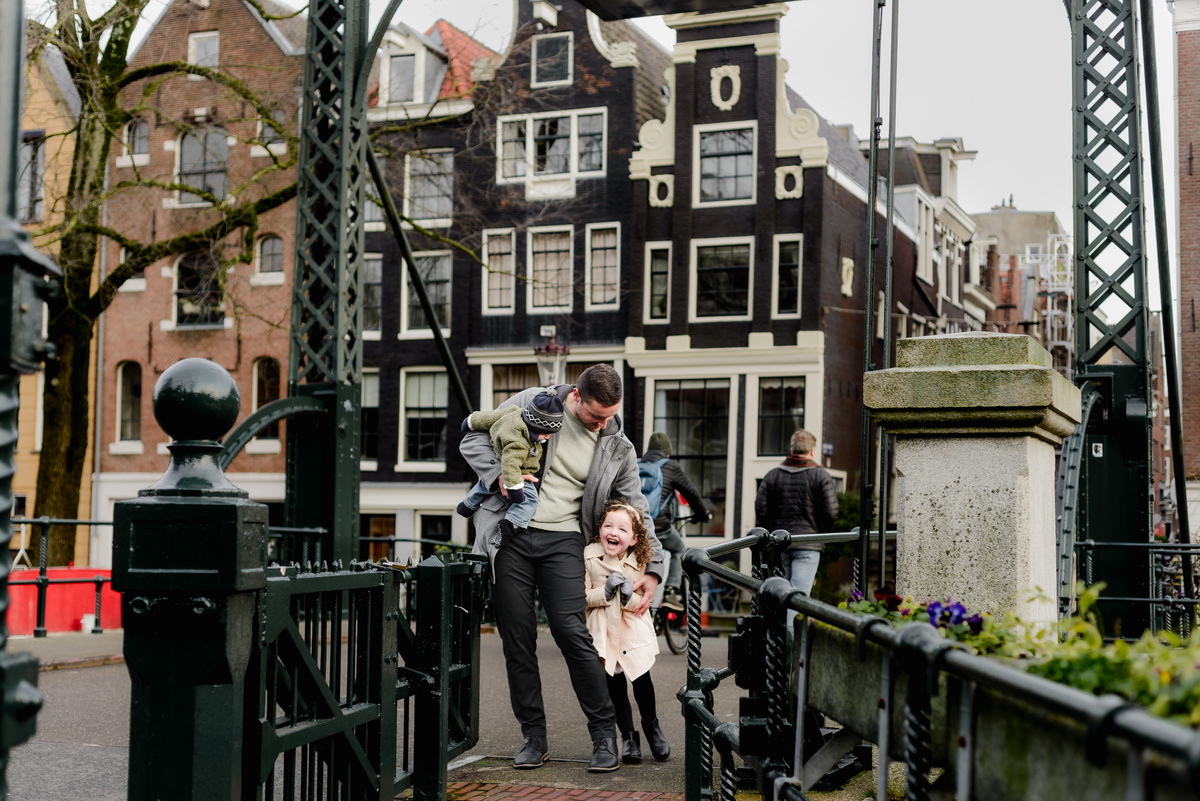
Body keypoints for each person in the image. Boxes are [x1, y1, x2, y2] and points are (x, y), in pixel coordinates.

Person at [460, 364, 665, 774]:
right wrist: (500, 473)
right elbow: (472, 438)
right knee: (516, 639)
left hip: (566, 539)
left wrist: (653, 566)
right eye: (595, 416)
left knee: (573, 632)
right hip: (511, 536)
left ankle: (605, 736)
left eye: (610, 416)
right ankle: (533, 738)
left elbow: (636, 508)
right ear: (575, 397)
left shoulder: (617, 444)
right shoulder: (534, 404)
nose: (602, 424)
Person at [584, 499, 670, 764]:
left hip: (632, 629)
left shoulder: (642, 562)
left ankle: (652, 728)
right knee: (614, 686)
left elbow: (644, 603)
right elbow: (582, 597)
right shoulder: (588, 556)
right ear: (600, 529)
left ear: (633, 539)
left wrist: (628, 595)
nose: (613, 532)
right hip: (603, 631)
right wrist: (605, 591)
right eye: (608, 526)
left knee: (642, 681)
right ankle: (628, 737)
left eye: (622, 530)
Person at [754, 429, 838, 625]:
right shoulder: (821, 476)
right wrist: (820, 535)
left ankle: (775, 643)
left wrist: (772, 535)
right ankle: (789, 649)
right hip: (808, 545)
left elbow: (761, 509)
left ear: (791, 449)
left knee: (777, 592)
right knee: (798, 597)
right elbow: (831, 513)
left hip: (778, 545)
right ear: (812, 451)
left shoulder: (772, 475)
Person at [455, 389, 565, 537]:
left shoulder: (513, 411)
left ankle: (467, 505)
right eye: (545, 432)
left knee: (485, 485)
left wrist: (470, 421)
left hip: (499, 453)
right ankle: (510, 524)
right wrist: (515, 491)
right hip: (518, 472)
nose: (548, 437)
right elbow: (510, 466)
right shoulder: (518, 444)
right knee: (531, 499)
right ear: (535, 426)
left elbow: (488, 418)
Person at [638, 432, 711, 611]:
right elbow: (691, 493)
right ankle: (671, 592)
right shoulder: (670, 466)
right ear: (667, 453)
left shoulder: (636, 463)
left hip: (634, 527)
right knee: (678, 547)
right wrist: (703, 514)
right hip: (658, 526)